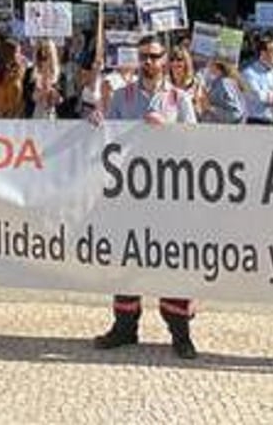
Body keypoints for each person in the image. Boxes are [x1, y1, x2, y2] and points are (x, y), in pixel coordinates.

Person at [92, 33, 200, 360]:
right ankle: (125, 326)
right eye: (143, 57)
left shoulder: (178, 99)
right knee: (126, 258)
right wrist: (97, 123)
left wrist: (167, 128)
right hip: (130, 191)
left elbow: (196, 141)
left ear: (165, 59)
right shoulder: (123, 97)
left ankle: (180, 333)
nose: (148, 63)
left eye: (154, 56)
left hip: (168, 194)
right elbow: (109, 137)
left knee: (171, 261)